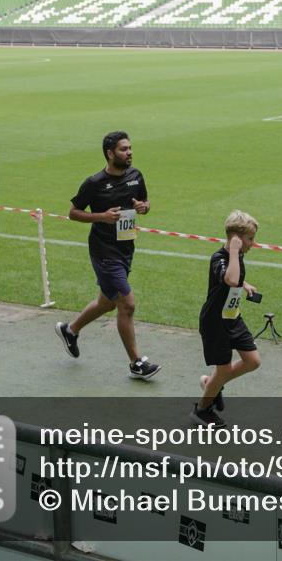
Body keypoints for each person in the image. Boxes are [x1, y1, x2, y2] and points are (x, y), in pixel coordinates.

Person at [54, 131, 161, 380]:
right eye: (124, 149)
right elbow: (73, 212)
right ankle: (136, 362)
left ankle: (70, 330)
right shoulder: (94, 183)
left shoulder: (136, 175)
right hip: (104, 251)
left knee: (107, 302)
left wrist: (144, 207)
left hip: (126, 248)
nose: (130, 152)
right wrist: (101, 216)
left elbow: (145, 203)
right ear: (110, 153)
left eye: (130, 148)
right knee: (127, 303)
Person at [192, 210, 262, 427]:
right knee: (223, 370)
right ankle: (202, 410)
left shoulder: (237, 256)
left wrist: (246, 285)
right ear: (236, 240)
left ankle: (212, 384)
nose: (253, 243)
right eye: (250, 239)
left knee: (253, 361)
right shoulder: (220, 258)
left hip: (232, 318)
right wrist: (233, 251)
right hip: (215, 323)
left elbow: (236, 279)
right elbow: (231, 279)